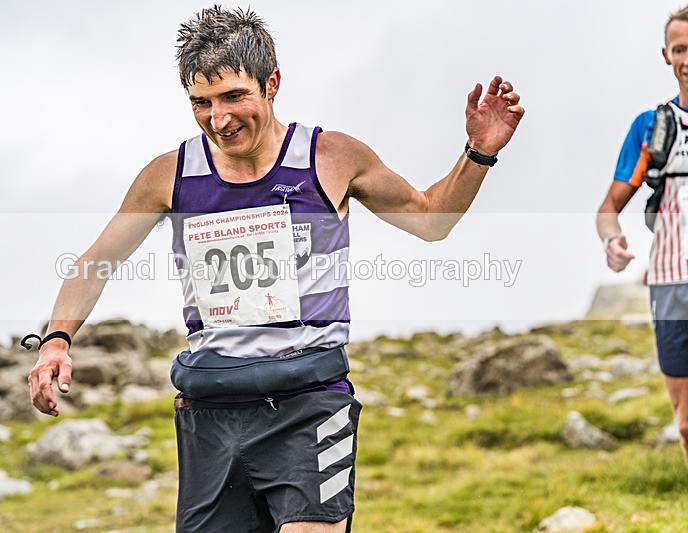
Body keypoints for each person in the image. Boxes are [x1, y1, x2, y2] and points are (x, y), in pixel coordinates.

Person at [26, 6, 524, 532]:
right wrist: (56, 340)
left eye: (234, 96)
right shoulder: (169, 175)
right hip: (211, 414)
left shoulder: (330, 157)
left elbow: (430, 219)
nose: (219, 119)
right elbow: (96, 260)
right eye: (202, 103)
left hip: (308, 405)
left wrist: (478, 152)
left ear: (272, 84)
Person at [597, 6, 688, 463]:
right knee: (687, 421)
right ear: (666, 55)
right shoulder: (650, 128)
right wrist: (611, 241)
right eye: (680, 48)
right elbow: (609, 209)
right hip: (670, 283)